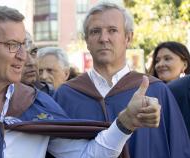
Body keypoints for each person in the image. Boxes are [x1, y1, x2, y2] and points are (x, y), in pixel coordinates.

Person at [0, 5, 160, 158]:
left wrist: (125, 123)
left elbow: (88, 156)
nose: (23, 56)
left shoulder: (35, 104)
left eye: (24, 46)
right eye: (12, 46)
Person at [54, 2, 190, 158]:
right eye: (95, 31)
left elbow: (180, 149)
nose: (104, 38)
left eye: (112, 30)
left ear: (128, 37)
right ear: (87, 40)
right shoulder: (66, 95)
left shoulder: (156, 90)